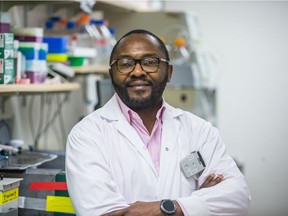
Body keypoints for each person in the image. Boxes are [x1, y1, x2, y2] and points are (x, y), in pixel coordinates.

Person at [65, 29, 251, 216]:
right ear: (112, 73)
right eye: (126, 64)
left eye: (150, 62)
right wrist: (197, 202)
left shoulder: (199, 130)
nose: (137, 72)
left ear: (169, 72)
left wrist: (168, 208)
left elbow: (238, 196)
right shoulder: (87, 135)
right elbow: (102, 213)